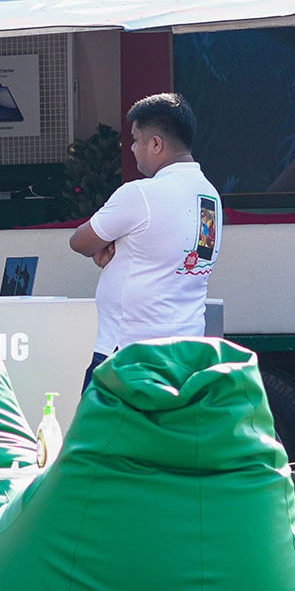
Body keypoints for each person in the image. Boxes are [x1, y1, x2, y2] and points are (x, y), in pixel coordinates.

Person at [68, 93, 223, 389]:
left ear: (156, 144)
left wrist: (110, 246)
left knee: (98, 422)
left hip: (130, 355)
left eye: (136, 139)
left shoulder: (140, 194)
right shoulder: (209, 196)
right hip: (187, 355)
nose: (132, 148)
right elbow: (183, 258)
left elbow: (80, 242)